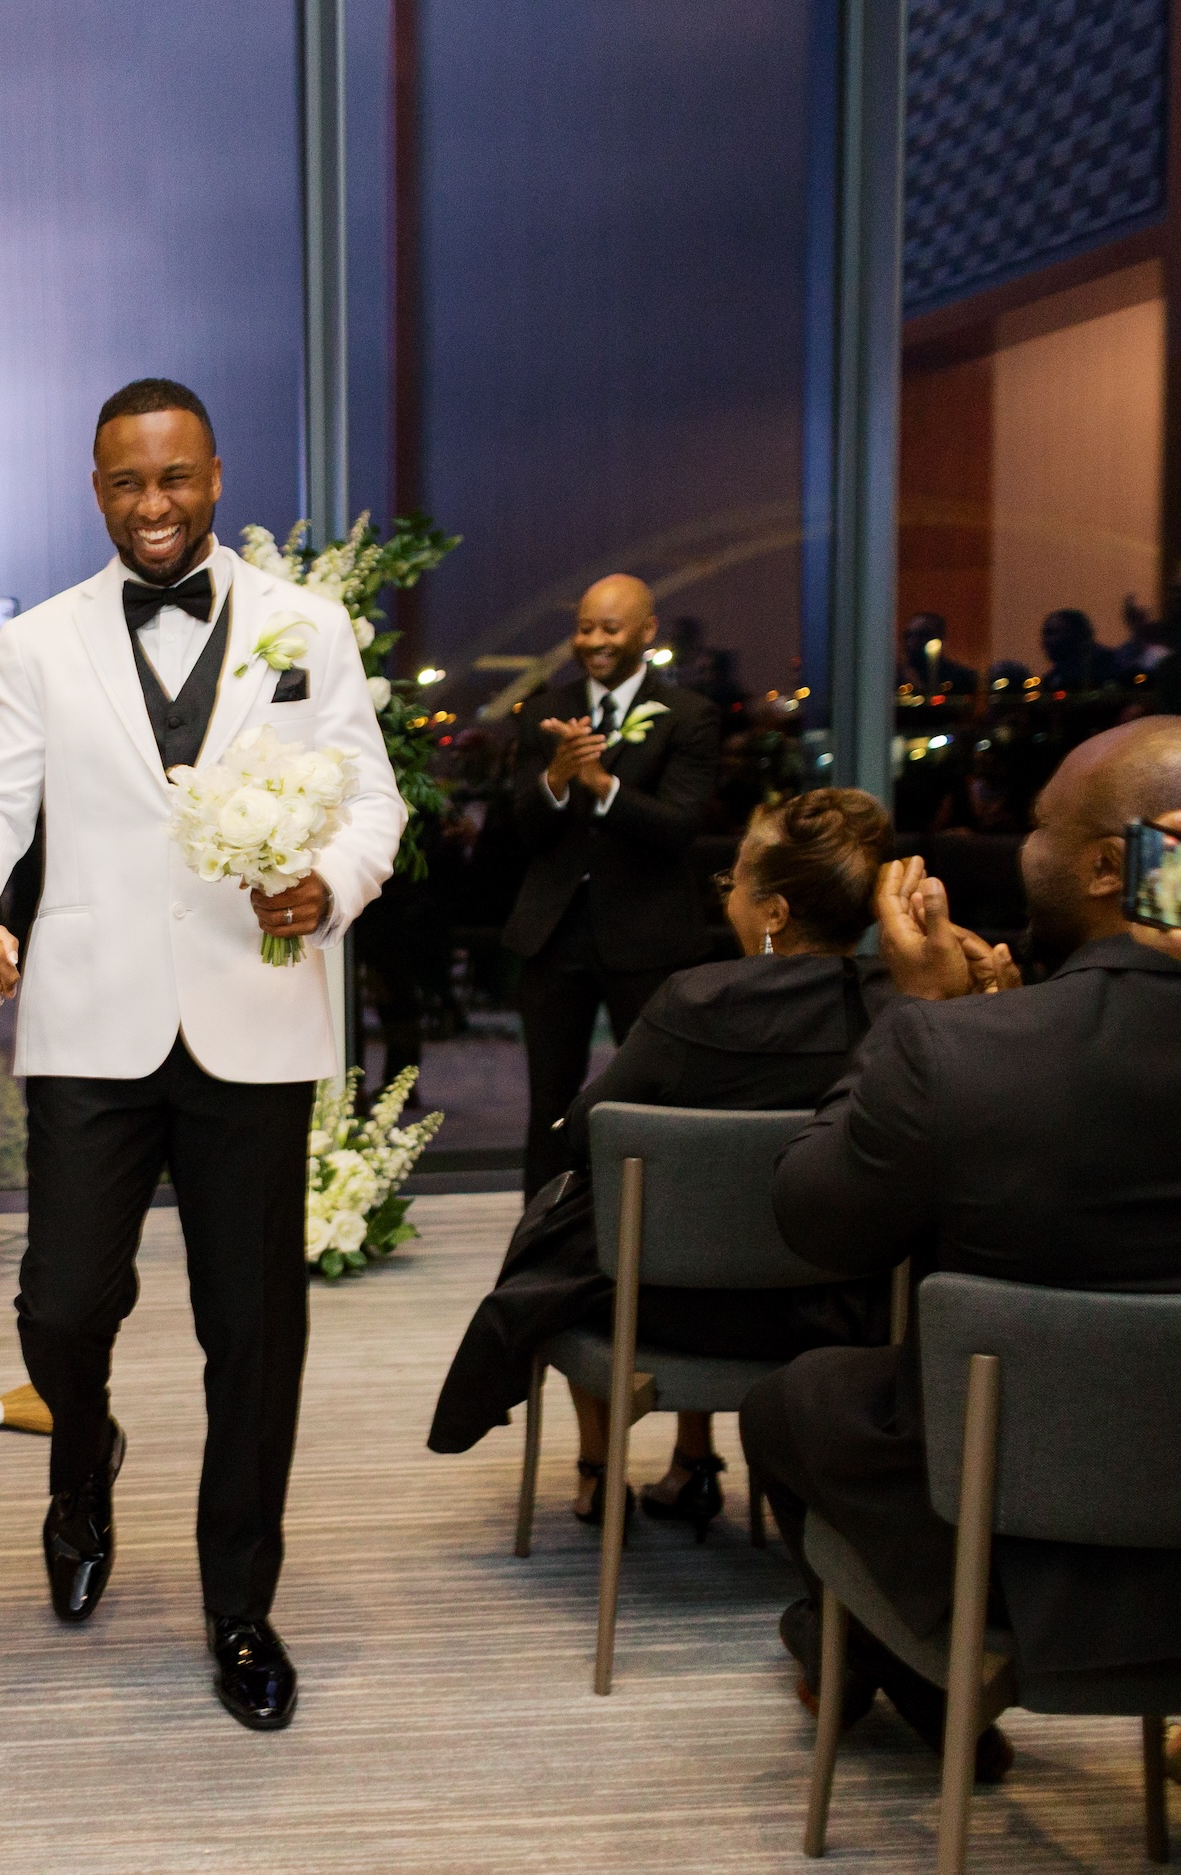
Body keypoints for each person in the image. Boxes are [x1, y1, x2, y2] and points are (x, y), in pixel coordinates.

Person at [0, 378, 404, 1731]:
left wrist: (331, 884)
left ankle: (239, 1603)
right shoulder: (45, 644)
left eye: (176, 478)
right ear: (96, 489)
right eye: (128, 483)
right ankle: (83, 1456)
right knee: (62, 1306)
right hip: (91, 1020)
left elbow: (372, 798)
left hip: (256, 1015)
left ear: (215, 475)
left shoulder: (309, 625)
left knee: (253, 1332)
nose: (154, 505)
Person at [743, 716, 1181, 1778]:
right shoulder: (1000, 1033)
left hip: (1007, 1530)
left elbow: (815, 1222)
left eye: (1036, 822)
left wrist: (914, 1017)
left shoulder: (951, 1049)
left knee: (791, 1402)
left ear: (1099, 868)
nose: (1016, 843)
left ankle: (912, 1670)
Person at [428, 789, 900, 1526]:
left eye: (734, 880)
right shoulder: (903, 1006)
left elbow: (591, 1128)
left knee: (585, 1219)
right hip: (835, 1307)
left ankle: (598, 1468)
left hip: (669, 1309)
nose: (728, 896)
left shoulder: (694, 1003)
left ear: (774, 911)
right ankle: (691, 1461)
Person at [504, 574, 722, 1196]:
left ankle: (662, 1226)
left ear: (646, 632)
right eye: (583, 628)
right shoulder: (546, 711)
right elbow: (520, 828)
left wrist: (602, 783)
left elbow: (678, 827)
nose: (593, 641)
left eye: (609, 628)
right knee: (548, 1097)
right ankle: (540, 1239)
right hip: (554, 936)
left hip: (649, 937)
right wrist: (557, 777)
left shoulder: (690, 716)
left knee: (660, 1095)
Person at [894, 611, 979, 695]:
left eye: (922, 635)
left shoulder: (960, 677)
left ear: (939, 637)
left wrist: (916, 685)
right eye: (908, 635)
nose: (912, 641)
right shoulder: (894, 675)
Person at [1040, 606, 1122, 692]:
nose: (1045, 641)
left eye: (1052, 633)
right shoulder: (1053, 678)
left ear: (1073, 634)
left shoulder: (1105, 664)